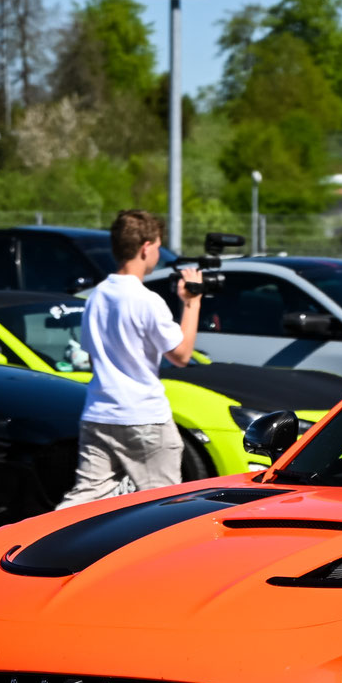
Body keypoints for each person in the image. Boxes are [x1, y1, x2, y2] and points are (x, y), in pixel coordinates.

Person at [56, 210, 203, 508]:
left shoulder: (96, 297)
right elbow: (181, 355)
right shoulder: (146, 300)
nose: (158, 254)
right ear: (145, 247)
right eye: (158, 246)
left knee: (83, 501)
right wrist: (192, 303)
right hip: (143, 417)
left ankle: (48, 546)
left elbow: (95, 359)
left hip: (99, 413)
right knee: (167, 506)